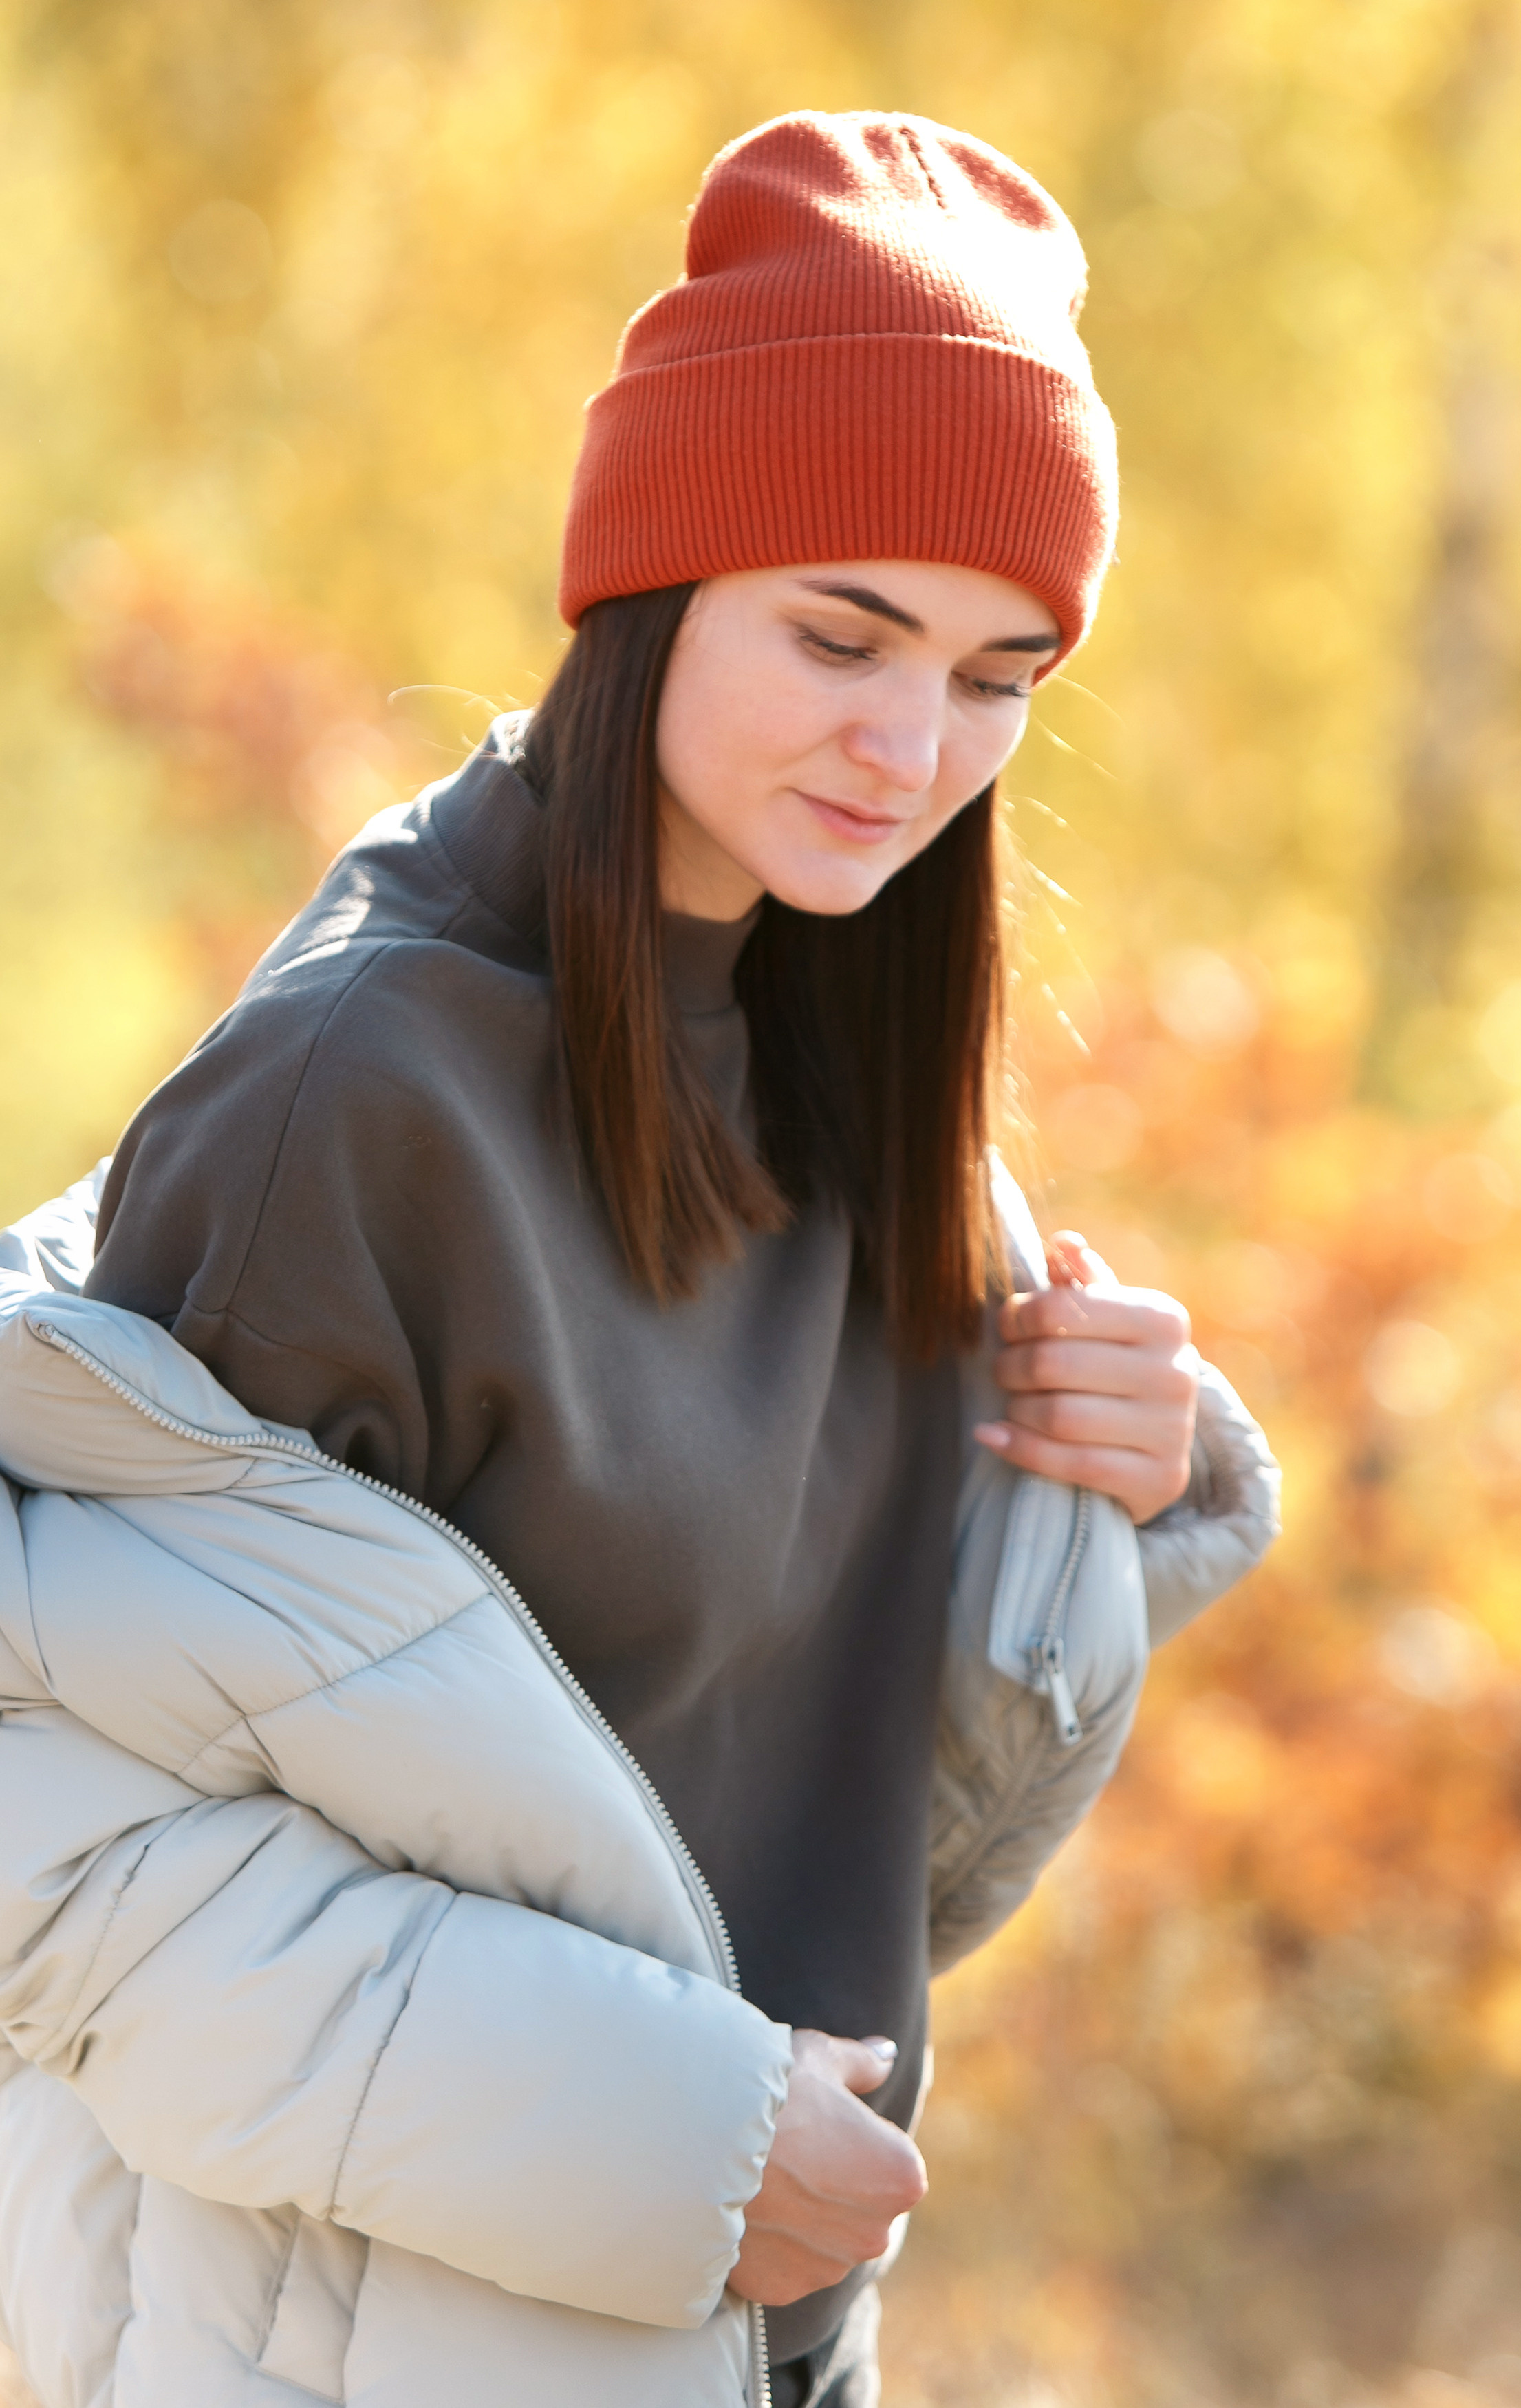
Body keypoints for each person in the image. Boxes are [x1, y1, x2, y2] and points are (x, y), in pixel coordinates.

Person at [0, 111, 1279, 2408]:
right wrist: (675, 2142)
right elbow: (63, 1863)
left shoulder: (862, 1065)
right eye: (843, 631)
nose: (913, 750)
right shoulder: (355, 1098)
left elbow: (880, 1829)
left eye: (998, 676)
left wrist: (1107, 1485)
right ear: (652, 581)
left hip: (763, 2350)